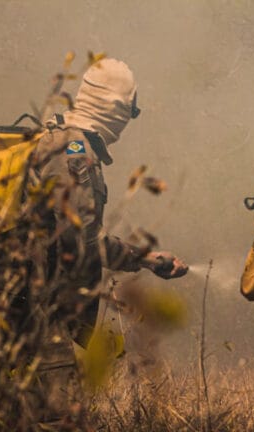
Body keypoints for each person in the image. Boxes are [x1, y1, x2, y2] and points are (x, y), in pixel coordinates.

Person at [31, 58, 188, 417]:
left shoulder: (53, 138)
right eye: (131, 112)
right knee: (59, 416)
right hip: (37, 309)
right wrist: (144, 258)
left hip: (20, 303)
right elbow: (79, 239)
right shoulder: (75, 152)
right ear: (117, 108)